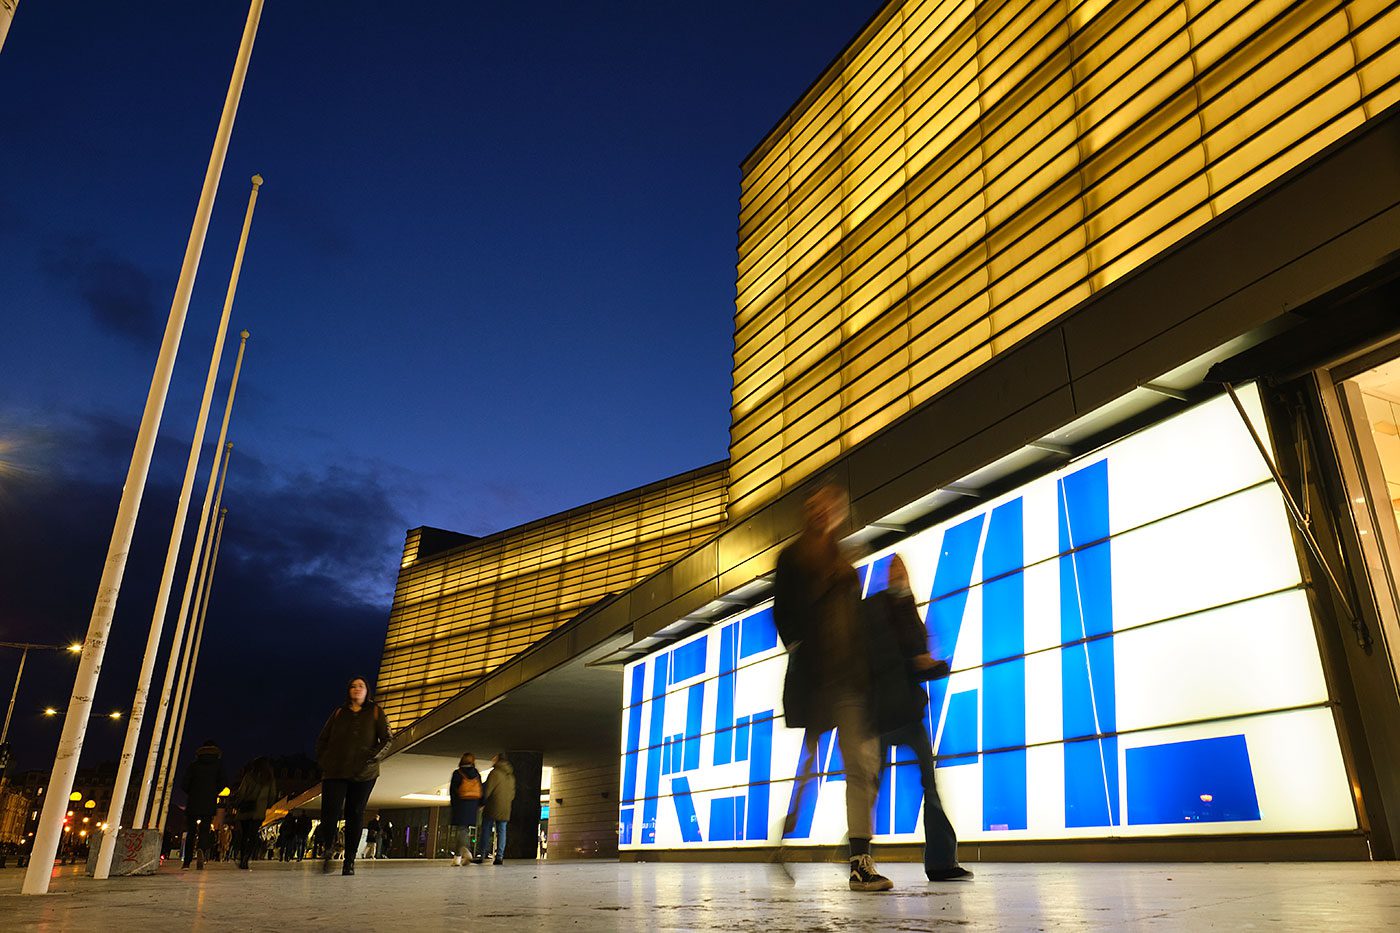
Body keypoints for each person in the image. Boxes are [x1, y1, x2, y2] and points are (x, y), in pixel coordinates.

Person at [774, 481, 891, 892]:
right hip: (817, 681)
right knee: (810, 768)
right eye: (815, 506)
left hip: (851, 683)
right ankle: (786, 839)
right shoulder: (793, 558)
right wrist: (825, 585)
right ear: (808, 513)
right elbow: (784, 618)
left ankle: (860, 859)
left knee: (861, 768)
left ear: (839, 513)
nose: (822, 512)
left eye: (830, 506)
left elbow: (852, 623)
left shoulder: (843, 559)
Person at [864, 554, 972, 882]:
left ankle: (940, 862)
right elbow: (888, 657)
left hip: (905, 711)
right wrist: (918, 662)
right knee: (871, 788)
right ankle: (861, 855)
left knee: (920, 785)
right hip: (886, 713)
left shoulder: (908, 609)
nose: (900, 573)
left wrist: (931, 664)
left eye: (903, 568)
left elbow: (914, 657)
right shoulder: (877, 608)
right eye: (895, 568)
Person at [314, 676, 392, 876]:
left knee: (355, 814)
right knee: (330, 812)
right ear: (348, 691)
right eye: (353, 686)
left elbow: (387, 739)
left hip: (363, 773)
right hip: (335, 770)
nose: (357, 689)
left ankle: (349, 860)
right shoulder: (339, 713)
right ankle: (328, 849)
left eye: (361, 686)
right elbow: (322, 739)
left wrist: (371, 758)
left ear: (367, 691)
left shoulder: (375, 711)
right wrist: (324, 760)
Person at [180, 739, 226, 870]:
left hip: (194, 800)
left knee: (191, 831)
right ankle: (201, 850)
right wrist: (214, 791)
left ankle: (186, 862)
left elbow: (184, 783)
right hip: (209, 800)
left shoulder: (194, 765)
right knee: (205, 830)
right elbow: (223, 782)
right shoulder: (218, 765)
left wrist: (192, 791)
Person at [233, 757, 279, 870]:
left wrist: (238, 803)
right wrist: (267, 805)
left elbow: (242, 792)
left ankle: (243, 856)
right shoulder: (269, 778)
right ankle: (247, 857)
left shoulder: (249, 776)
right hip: (259, 811)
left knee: (244, 835)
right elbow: (273, 795)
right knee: (253, 835)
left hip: (246, 810)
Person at [476, 752, 515, 865]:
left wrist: (482, 803)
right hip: (505, 807)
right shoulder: (511, 776)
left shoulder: (495, 773)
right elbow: (512, 793)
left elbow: (488, 790)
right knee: (502, 831)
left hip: (493, 805)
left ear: (498, 760)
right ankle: (499, 857)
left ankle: (482, 855)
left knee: (486, 830)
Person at [447, 753, 483, 865]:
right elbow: (481, 789)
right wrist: (480, 804)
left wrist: (453, 805)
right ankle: (457, 858)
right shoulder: (476, 773)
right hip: (473, 804)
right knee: (464, 829)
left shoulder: (457, 773)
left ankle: (467, 852)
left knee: (461, 829)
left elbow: (453, 791)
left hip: (461, 804)